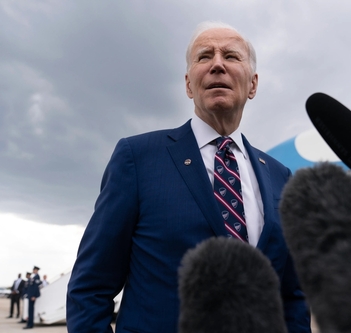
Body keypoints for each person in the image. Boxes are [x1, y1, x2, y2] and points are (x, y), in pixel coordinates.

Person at [67, 21, 311, 333]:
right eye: (204, 56)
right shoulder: (137, 158)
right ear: (188, 84)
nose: (218, 64)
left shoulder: (279, 175)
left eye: (232, 57)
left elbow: (292, 295)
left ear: (253, 85)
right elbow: (90, 286)